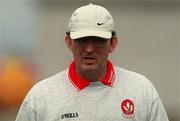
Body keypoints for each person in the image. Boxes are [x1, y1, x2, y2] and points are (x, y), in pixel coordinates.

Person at [15, 3, 169, 121]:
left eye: (97, 40)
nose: (89, 49)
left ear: (112, 43)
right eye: (82, 40)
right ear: (69, 42)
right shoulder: (40, 97)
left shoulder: (142, 91)